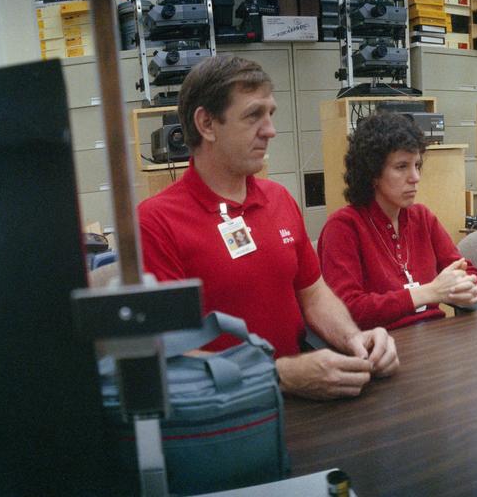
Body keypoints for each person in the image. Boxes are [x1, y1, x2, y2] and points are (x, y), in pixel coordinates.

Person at [139, 56, 399, 400]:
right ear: (206, 124)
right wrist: (278, 375)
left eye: (271, 114)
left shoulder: (279, 199)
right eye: (253, 115)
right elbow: (170, 355)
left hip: (305, 392)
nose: (270, 130)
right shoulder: (155, 222)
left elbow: (314, 293)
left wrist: (354, 339)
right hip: (226, 408)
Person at [318, 112, 477, 330]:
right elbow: (349, 309)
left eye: (417, 165)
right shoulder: (343, 227)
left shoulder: (422, 217)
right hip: (382, 344)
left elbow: (467, 271)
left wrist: (466, 288)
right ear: (373, 173)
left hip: (435, 336)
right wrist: (429, 292)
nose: (415, 177)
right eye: (402, 166)